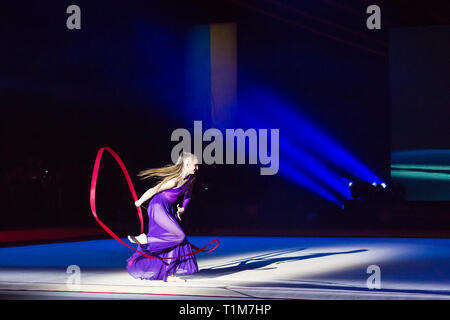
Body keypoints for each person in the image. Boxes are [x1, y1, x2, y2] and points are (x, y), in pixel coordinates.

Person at [126, 151, 199, 282]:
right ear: (187, 164)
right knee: (179, 235)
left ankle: (169, 274)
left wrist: (182, 208)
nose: (197, 168)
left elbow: (187, 195)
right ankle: (146, 240)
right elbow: (154, 190)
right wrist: (139, 202)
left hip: (169, 210)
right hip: (157, 207)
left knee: (176, 241)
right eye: (196, 165)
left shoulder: (191, 179)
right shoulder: (174, 180)